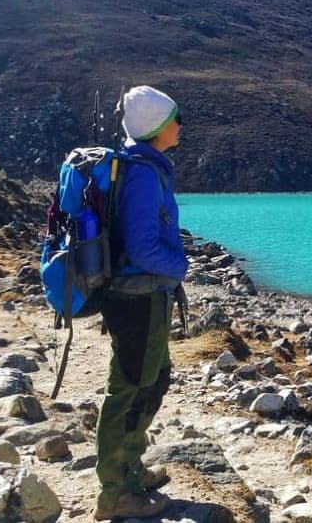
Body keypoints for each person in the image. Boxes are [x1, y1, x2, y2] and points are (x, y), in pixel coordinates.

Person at [94, 85, 187, 521]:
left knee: (152, 379)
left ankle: (129, 468)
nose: (180, 125)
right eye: (175, 118)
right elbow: (143, 246)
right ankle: (115, 493)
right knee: (130, 388)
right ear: (155, 126)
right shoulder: (144, 175)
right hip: (139, 298)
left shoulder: (144, 167)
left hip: (145, 295)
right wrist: (180, 266)